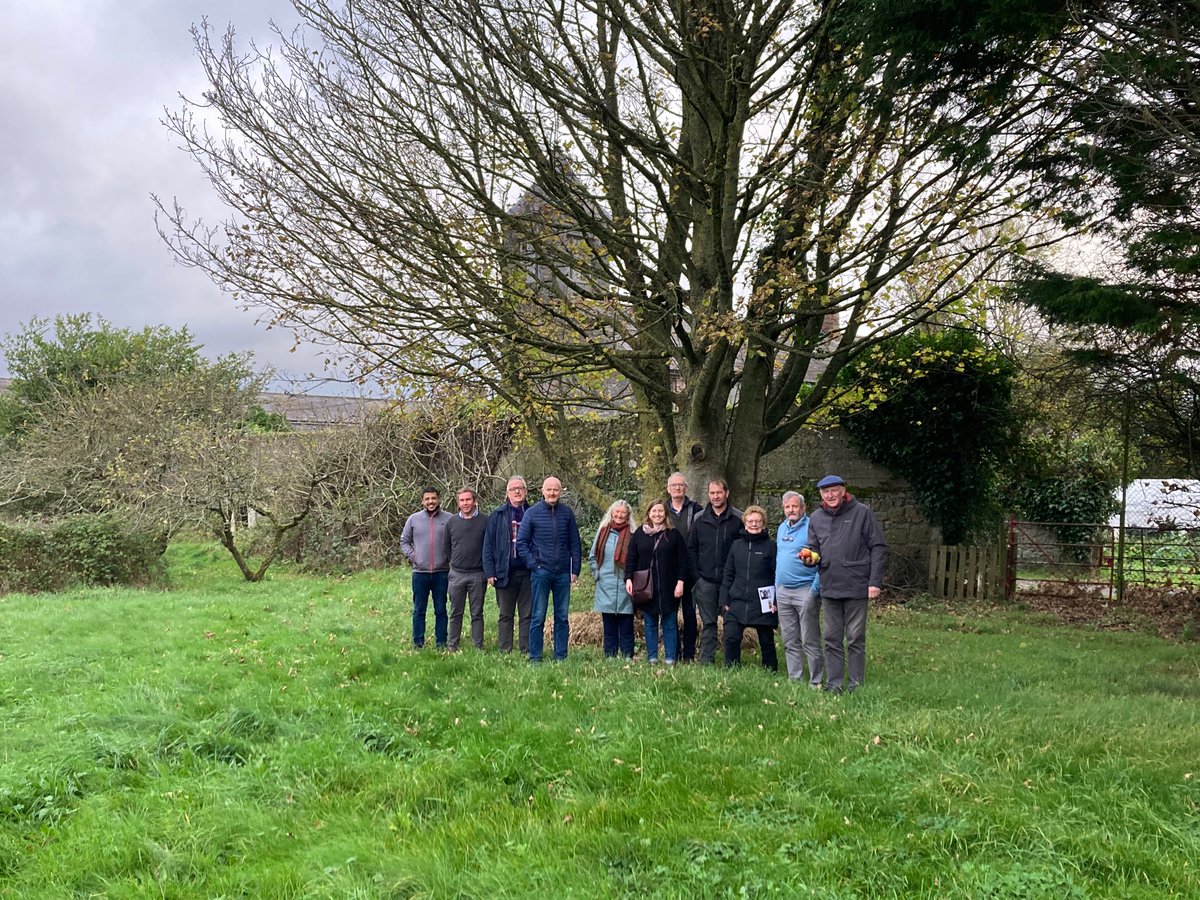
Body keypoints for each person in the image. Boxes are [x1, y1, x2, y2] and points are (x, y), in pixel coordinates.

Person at [803, 475, 887, 693]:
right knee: (831, 638)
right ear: (821, 494)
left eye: (834, 490)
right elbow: (814, 548)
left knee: (855, 638)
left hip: (857, 585)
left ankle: (856, 685)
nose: (830, 495)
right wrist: (810, 558)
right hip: (829, 586)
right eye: (825, 492)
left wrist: (874, 582)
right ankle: (834, 684)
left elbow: (878, 547)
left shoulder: (862, 512)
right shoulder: (816, 517)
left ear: (843, 491)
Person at [516, 476, 582, 662]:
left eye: (556, 490)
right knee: (538, 616)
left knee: (562, 616)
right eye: (549, 489)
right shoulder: (532, 513)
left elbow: (575, 543)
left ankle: (561, 656)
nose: (552, 493)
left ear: (561, 492)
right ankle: (535, 657)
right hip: (541, 572)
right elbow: (521, 543)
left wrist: (575, 569)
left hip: (563, 573)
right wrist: (534, 564)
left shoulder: (567, 513)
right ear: (542, 491)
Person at [686, 479, 743, 664]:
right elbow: (691, 549)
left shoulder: (738, 518)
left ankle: (731, 661)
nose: (715, 496)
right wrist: (697, 578)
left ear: (727, 493)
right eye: (712, 493)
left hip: (731, 582)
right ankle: (706, 660)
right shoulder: (699, 518)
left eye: (719, 492)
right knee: (708, 623)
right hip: (706, 581)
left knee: (731, 623)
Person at [625, 499, 688, 664]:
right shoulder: (640, 534)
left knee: (669, 623)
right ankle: (652, 657)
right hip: (646, 587)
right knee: (650, 623)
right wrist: (628, 578)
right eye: (654, 511)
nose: (657, 514)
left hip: (669, 586)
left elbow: (683, 561)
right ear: (649, 513)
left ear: (665, 513)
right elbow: (631, 558)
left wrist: (681, 581)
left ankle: (670, 658)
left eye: (660, 511)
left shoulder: (673, 535)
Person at [719, 505, 779, 671]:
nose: (754, 524)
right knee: (731, 637)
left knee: (766, 640)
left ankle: (770, 670)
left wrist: (775, 601)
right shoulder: (736, 545)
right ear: (745, 524)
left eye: (758, 521)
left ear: (763, 524)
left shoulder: (771, 547)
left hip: (763, 601)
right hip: (737, 600)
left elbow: (777, 575)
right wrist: (724, 599)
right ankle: (731, 668)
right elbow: (728, 573)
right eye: (750, 521)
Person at [775, 491, 823, 687]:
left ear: (803, 508)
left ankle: (815, 682)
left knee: (809, 639)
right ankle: (795, 679)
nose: (791, 510)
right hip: (783, 590)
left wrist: (814, 589)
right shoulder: (781, 528)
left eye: (795, 506)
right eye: (787, 507)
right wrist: (776, 587)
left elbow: (822, 559)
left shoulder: (813, 527)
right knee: (789, 639)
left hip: (805, 589)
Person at [483, 476, 533, 655]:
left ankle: (526, 649)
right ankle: (505, 650)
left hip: (528, 572)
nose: (517, 491)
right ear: (507, 493)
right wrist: (490, 572)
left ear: (526, 491)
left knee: (527, 614)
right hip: (505, 572)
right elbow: (488, 545)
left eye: (520, 488)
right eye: (513, 489)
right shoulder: (497, 516)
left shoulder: (533, 513)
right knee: (505, 614)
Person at [399, 487, 453, 649]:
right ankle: (418, 642)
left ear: (439, 499)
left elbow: (455, 542)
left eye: (433, 498)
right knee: (419, 609)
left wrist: (449, 558)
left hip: (442, 573)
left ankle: (441, 642)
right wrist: (414, 556)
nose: (431, 501)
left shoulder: (449, 519)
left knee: (441, 609)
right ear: (422, 501)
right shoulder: (413, 519)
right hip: (420, 573)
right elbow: (404, 541)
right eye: (427, 499)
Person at [590, 499, 636, 659]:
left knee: (626, 624)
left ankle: (627, 655)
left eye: (623, 513)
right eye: (617, 512)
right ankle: (610, 655)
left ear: (628, 515)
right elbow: (592, 556)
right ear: (611, 513)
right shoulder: (603, 531)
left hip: (626, 584)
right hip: (605, 583)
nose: (619, 515)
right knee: (609, 624)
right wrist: (597, 573)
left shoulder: (633, 534)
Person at [443, 487, 488, 651]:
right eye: (462, 500)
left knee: (477, 613)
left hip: (478, 574)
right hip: (457, 574)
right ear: (458, 503)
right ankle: (452, 645)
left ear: (475, 501)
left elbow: (489, 547)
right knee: (455, 612)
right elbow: (446, 547)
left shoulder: (485, 521)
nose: (465, 503)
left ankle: (478, 646)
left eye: (468, 499)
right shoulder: (452, 522)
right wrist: (455, 563)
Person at [665, 472, 703, 662]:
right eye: (674, 485)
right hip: (668, 569)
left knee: (689, 613)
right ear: (668, 489)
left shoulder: (696, 509)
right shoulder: (662, 509)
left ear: (686, 488)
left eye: (681, 485)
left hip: (690, 569)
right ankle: (673, 652)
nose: (678, 488)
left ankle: (688, 654)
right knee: (669, 613)